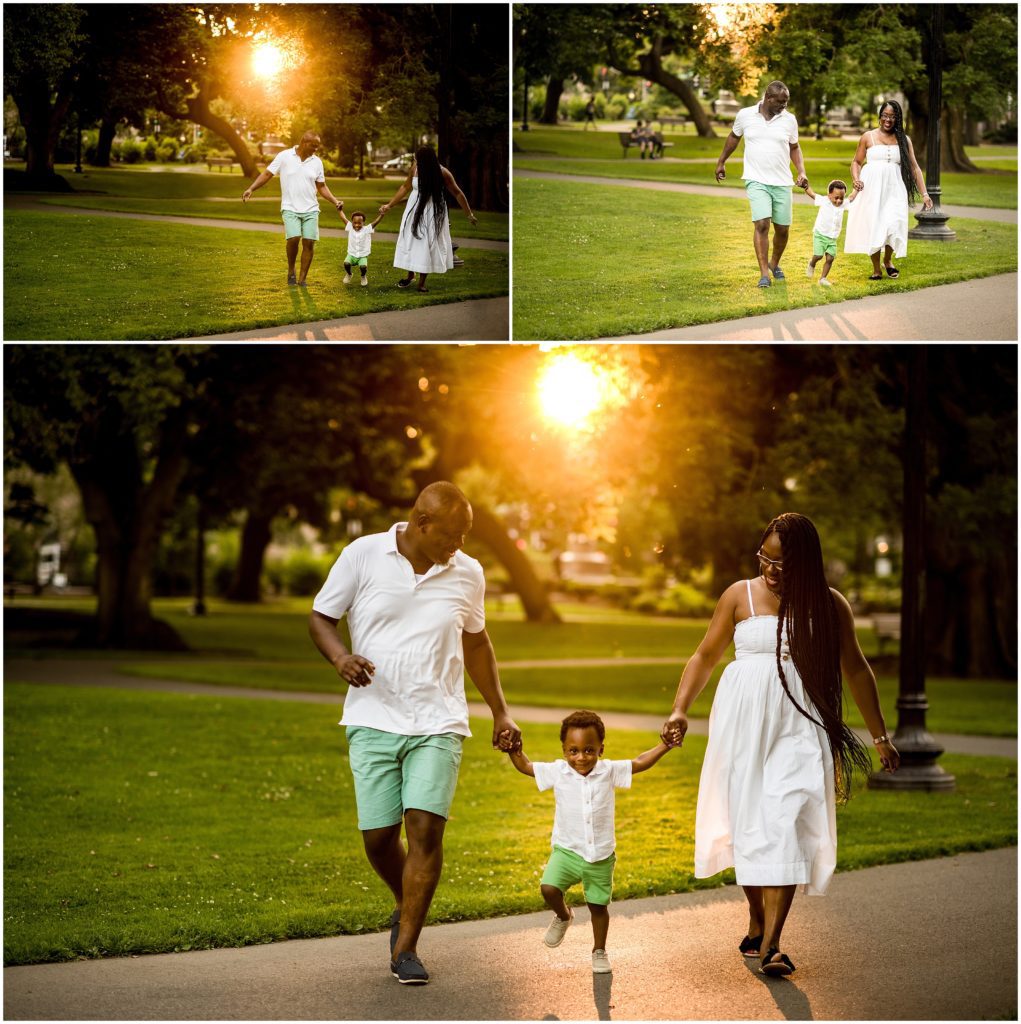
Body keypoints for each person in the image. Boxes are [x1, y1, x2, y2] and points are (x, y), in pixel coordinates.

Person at [661, 513, 899, 977]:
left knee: (785, 820)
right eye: (765, 559)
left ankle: (772, 944)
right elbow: (705, 654)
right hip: (742, 726)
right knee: (747, 826)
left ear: (807, 563)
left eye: (782, 563)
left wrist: (880, 736)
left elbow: (856, 669)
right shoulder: (738, 595)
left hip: (799, 725)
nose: (771, 569)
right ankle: (756, 915)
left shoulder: (830, 606)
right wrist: (679, 709)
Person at [308, 481, 520, 986]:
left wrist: (501, 712)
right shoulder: (364, 555)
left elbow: (477, 643)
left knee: (425, 828)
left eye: (466, 535)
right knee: (380, 837)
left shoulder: (467, 573)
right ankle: (407, 902)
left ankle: (406, 948)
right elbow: (320, 617)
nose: (461, 545)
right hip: (373, 717)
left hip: (437, 720)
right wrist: (340, 657)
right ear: (421, 524)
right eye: (453, 534)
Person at [505, 710, 672, 975]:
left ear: (601, 749)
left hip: (600, 855)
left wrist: (666, 745)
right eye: (573, 751)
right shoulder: (558, 772)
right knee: (549, 888)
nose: (581, 757)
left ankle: (599, 951)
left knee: (598, 907)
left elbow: (640, 762)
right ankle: (563, 916)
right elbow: (526, 766)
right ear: (563, 750)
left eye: (588, 750)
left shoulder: (608, 771)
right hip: (567, 850)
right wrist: (513, 749)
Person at [715, 81, 809, 288]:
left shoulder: (789, 120)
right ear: (768, 98)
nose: (784, 106)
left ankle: (774, 264)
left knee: (783, 229)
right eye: (781, 102)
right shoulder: (745, 115)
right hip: (756, 179)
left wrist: (801, 171)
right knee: (762, 224)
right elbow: (733, 137)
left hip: (782, 182)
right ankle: (764, 274)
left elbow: (795, 147)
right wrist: (721, 161)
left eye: (786, 102)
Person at [242, 131, 344, 288]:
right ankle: (291, 269)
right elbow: (268, 173)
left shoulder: (317, 162)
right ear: (304, 142)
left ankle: (302, 279)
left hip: (311, 208)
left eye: (317, 146)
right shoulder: (284, 156)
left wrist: (335, 200)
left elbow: (321, 186)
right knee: (293, 239)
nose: (316, 149)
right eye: (313, 146)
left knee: (309, 242)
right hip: (290, 207)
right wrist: (251, 189)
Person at [844, 99, 933, 280]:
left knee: (895, 222)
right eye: (885, 115)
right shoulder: (867, 137)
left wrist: (925, 194)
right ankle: (876, 268)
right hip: (871, 188)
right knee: (875, 224)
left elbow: (915, 168)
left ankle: (888, 260)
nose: (888, 119)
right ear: (880, 116)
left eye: (893, 116)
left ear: (898, 118)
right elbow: (856, 162)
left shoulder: (904, 140)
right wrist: (856, 179)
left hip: (895, 188)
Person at [379, 145, 477, 293]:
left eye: (417, 157)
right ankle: (410, 275)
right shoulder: (415, 168)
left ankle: (421, 282)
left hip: (432, 211)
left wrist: (469, 214)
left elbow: (457, 193)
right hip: (413, 208)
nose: (414, 159)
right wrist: (389, 205)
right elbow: (405, 187)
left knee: (426, 244)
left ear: (424, 159)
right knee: (410, 241)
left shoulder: (443, 172)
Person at [802, 179, 856, 286]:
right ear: (829, 195)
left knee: (830, 258)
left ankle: (823, 278)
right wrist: (805, 186)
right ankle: (812, 264)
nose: (839, 201)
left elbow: (851, 197)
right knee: (818, 255)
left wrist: (856, 189)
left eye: (841, 197)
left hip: (832, 237)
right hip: (820, 234)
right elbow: (812, 194)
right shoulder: (824, 201)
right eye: (836, 197)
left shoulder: (843, 203)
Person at [336, 201, 386, 287]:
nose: (357, 225)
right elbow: (343, 218)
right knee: (346, 264)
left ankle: (363, 276)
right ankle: (349, 274)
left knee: (363, 267)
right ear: (352, 222)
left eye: (359, 223)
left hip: (362, 255)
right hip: (352, 254)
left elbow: (375, 222)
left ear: (364, 223)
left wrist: (381, 215)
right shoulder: (350, 228)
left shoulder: (367, 229)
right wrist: (340, 210)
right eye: (355, 223)